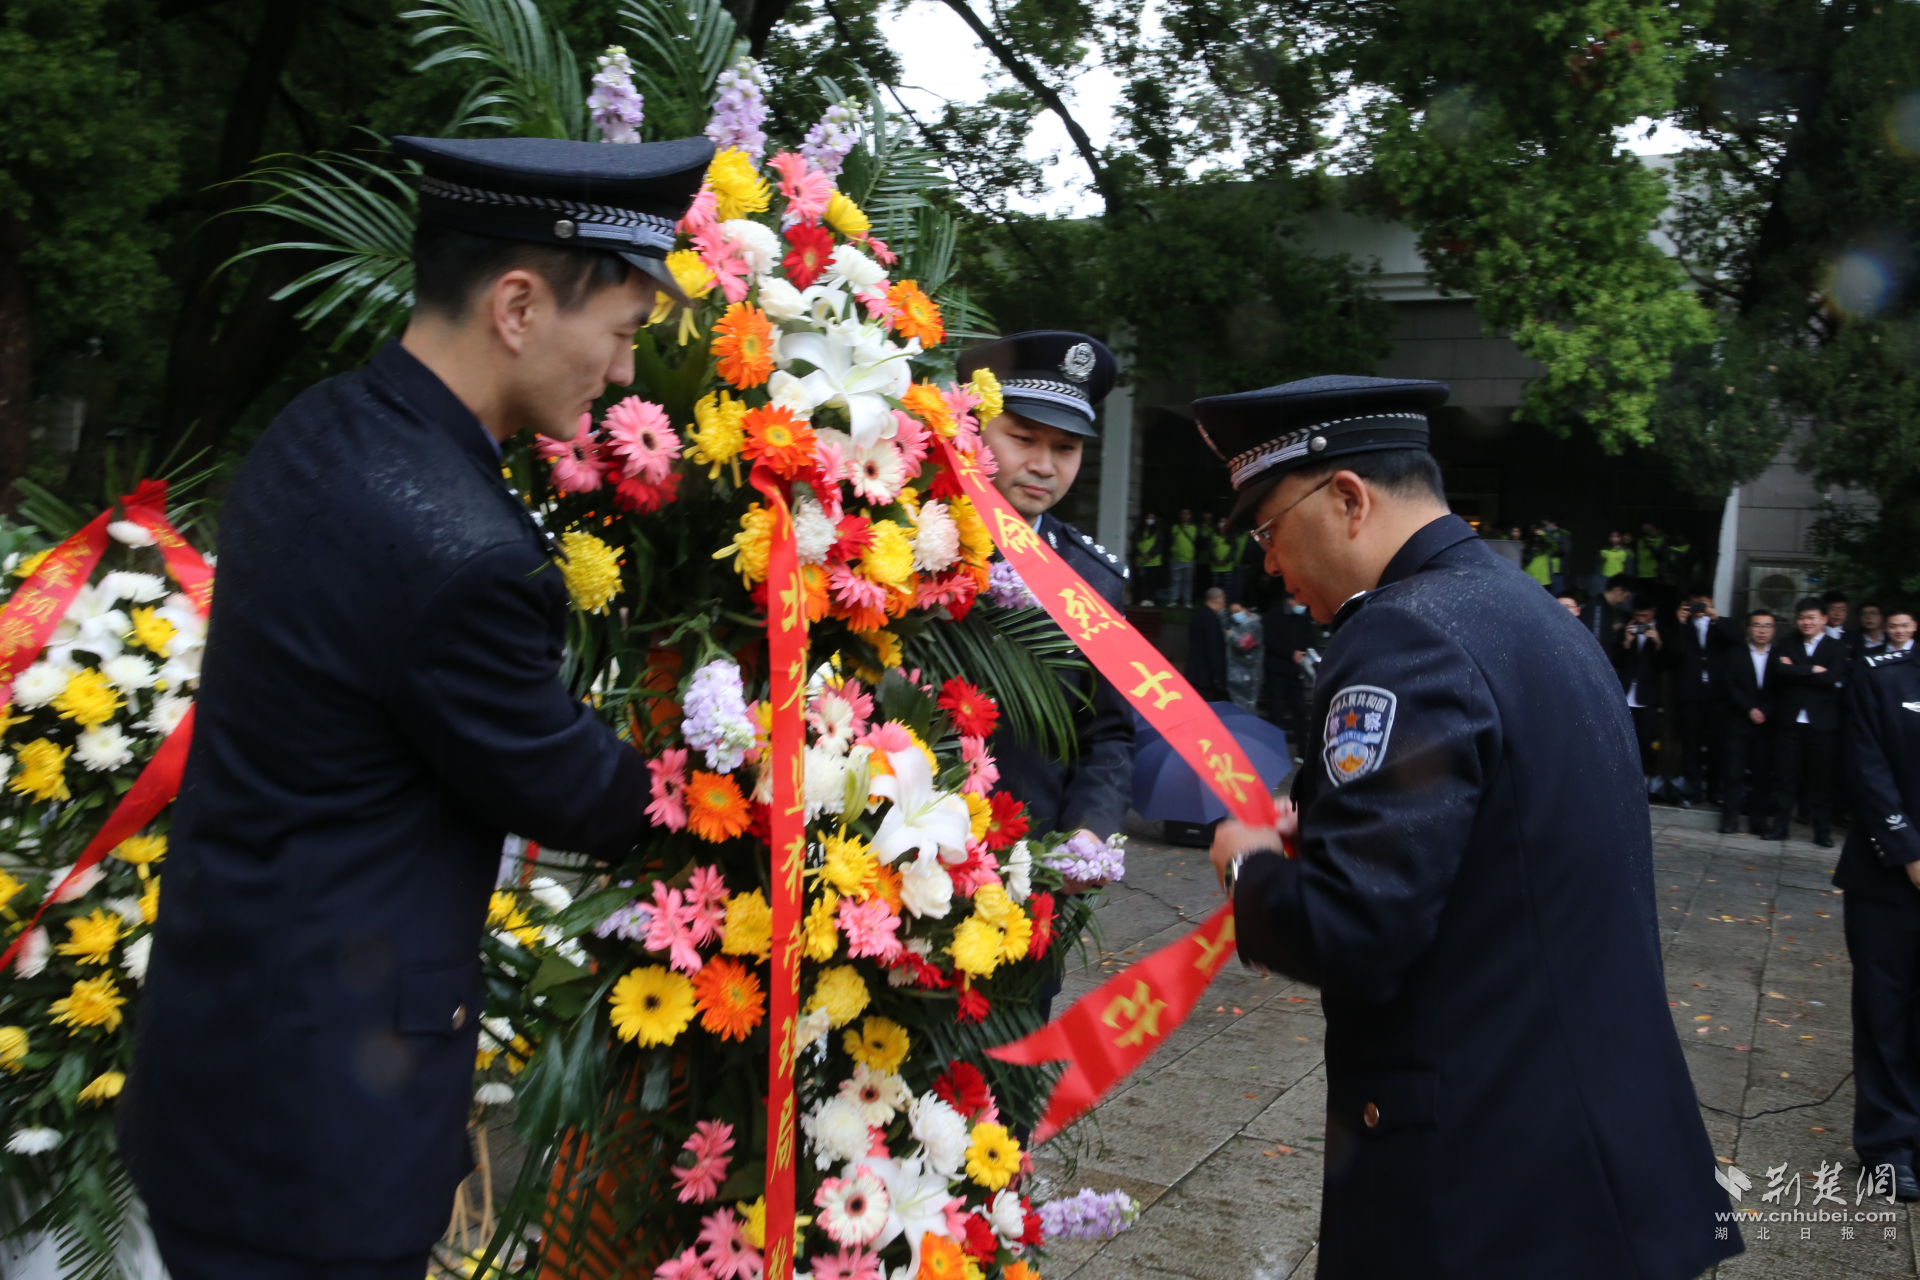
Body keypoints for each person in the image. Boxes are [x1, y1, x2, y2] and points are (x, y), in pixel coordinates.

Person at [119, 133, 713, 1279]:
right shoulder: (465, 553)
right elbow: (572, 787)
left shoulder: (318, 427)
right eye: (622, 330)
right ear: (519, 305)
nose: (626, 371)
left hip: (219, 1062)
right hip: (318, 1146)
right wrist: (755, 783)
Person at [1194, 373, 1737, 1278]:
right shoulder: (1529, 612)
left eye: (1269, 529)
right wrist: (1332, 822)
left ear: (1348, 499)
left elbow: (1357, 927)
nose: (1271, 566)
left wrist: (1247, 867)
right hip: (1596, 1152)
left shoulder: (1404, 636)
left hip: (1484, 1182)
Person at [957, 330, 1133, 847]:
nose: (1044, 466)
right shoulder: (911, 547)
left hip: (1028, 859)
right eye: (1023, 438)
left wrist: (1089, 831)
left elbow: (1108, 734)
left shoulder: (1092, 579)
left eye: (1066, 448)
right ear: (975, 430)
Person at [1833, 615, 1920, 1203]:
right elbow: (1866, 765)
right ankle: (1889, 1144)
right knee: (1887, 1009)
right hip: (1890, 876)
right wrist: (1908, 850)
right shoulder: (1882, 676)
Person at [1768, 596, 1848, 846]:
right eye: (1802, 617)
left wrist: (1797, 670)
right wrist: (1813, 669)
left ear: (1824, 619)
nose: (1806, 622)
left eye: (1811, 617)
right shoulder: (1787, 643)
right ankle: (1779, 828)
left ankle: (1822, 832)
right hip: (1789, 722)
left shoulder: (1837, 647)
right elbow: (1780, 672)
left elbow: (1832, 677)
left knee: (1821, 781)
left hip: (1822, 724)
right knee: (1784, 778)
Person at [1716, 609, 1779, 835]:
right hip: (1738, 723)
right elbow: (1729, 684)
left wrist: (1765, 710)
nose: (1762, 630)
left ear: (1774, 630)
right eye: (1757, 625)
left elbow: (1782, 689)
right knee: (1733, 774)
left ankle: (1759, 821)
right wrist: (1749, 709)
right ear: (1748, 628)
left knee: (1763, 776)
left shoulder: (1780, 656)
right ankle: (1730, 819)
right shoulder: (1734, 654)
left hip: (1767, 724)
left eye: (1767, 626)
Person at [1671, 591, 1729, 807]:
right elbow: (1674, 652)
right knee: (1691, 745)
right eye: (1693, 603)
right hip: (1690, 694)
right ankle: (1692, 791)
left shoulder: (1721, 624)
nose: (1698, 608)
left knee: (1717, 745)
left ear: (1711, 602)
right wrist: (1680, 622)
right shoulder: (1683, 626)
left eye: (1702, 603)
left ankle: (1716, 790)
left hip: (1717, 694)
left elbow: (1736, 639)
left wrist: (1715, 618)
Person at [1615, 594, 1669, 800]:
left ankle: (1645, 779)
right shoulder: (1626, 629)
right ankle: (1623, 778)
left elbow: (1664, 666)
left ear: (1653, 613)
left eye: (1645, 616)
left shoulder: (1661, 631)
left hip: (1647, 694)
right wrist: (1627, 642)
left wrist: (1657, 643)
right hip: (1627, 692)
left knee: (1646, 738)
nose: (1641, 620)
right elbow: (1616, 660)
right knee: (1624, 737)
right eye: (1638, 615)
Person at [1264, 589, 1318, 760]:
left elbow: (1310, 639)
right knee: (1276, 713)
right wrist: (1290, 653)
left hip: (1296, 673)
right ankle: (1275, 751)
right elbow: (1269, 640)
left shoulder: (1303, 618)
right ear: (1289, 601)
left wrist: (1306, 653)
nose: (1302, 606)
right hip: (1276, 672)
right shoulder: (1274, 615)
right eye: (1299, 602)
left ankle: (1303, 752)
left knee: (1300, 712)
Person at [1186, 586, 1230, 701]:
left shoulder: (1197, 615)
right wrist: (1219, 677)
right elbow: (1213, 649)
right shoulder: (1211, 619)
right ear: (1220, 600)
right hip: (1206, 677)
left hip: (1194, 673)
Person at [1224, 600, 1263, 711]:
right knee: (1237, 707)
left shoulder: (1255, 626)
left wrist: (1231, 636)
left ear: (1246, 610)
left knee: (1247, 708)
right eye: (1232, 612)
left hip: (1249, 674)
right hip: (1236, 673)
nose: (1234, 615)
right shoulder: (1237, 625)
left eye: (1237, 611)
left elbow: (1244, 645)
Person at [1581, 574, 1634, 657]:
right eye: (1626, 597)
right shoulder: (1597, 608)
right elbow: (1596, 641)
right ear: (1618, 590)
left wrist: (1609, 629)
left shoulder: (1607, 608)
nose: (1624, 601)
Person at [1166, 507, 1199, 608]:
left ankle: (1187, 601)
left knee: (1188, 582)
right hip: (1176, 558)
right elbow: (1169, 541)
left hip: (1189, 559)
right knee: (1175, 581)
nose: (1185, 516)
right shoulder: (1175, 527)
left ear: (1191, 516)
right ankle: (1173, 600)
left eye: (1187, 513)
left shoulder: (1195, 528)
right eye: (1183, 513)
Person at [1132, 511, 1164, 605]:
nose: (1150, 520)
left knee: (1152, 581)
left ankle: (1151, 599)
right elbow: (1135, 543)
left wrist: (1150, 555)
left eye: (1152, 518)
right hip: (1141, 561)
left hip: (1153, 561)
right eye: (1148, 518)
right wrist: (1141, 554)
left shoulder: (1158, 531)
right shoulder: (1139, 530)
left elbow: (1159, 544)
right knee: (1142, 581)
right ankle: (1142, 599)